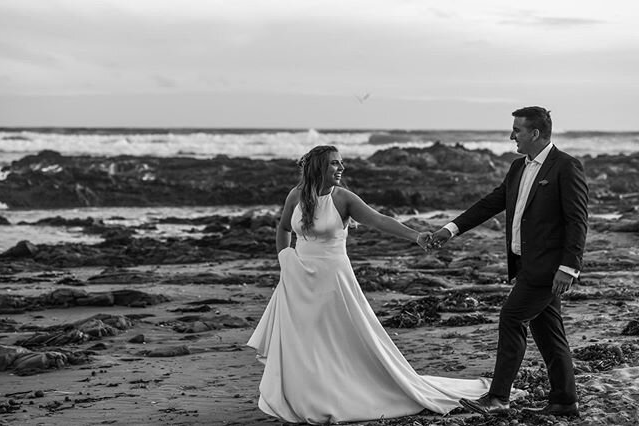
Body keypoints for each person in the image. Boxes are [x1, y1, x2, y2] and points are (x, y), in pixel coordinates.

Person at [247, 145, 501, 424]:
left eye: (341, 163)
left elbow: (379, 220)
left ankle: (338, 393)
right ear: (318, 167)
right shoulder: (296, 195)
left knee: (337, 336)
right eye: (334, 164)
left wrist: (416, 236)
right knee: (304, 338)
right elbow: (283, 228)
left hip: (333, 279)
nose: (341, 168)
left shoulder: (343, 198)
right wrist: (285, 259)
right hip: (298, 277)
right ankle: (306, 395)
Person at [429, 106, 588, 417]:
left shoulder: (566, 167)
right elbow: (492, 202)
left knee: (512, 317)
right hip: (524, 265)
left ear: (535, 133)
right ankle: (565, 402)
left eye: (517, 129)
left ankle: (499, 397)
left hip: (548, 268)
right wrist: (450, 229)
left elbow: (577, 220)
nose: (511, 135)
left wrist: (569, 267)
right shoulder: (517, 167)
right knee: (549, 333)